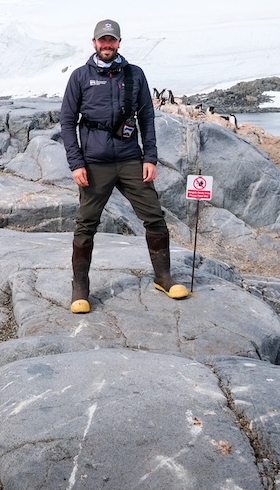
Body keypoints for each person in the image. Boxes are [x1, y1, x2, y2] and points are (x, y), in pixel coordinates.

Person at [59, 19, 189, 314]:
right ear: (94, 43)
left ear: (119, 43)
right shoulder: (80, 77)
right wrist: (76, 163)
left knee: (154, 217)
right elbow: (67, 122)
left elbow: (146, 118)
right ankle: (80, 288)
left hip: (131, 159)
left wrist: (150, 158)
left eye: (112, 40)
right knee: (86, 224)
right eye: (102, 40)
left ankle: (163, 277)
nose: (107, 45)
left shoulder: (134, 75)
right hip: (94, 163)